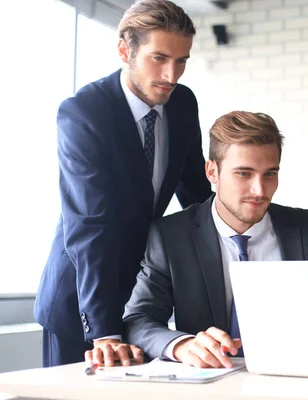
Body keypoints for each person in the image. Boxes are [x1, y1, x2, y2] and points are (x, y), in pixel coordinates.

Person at [34, 0, 212, 367]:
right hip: (82, 302)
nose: (171, 75)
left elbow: (196, 196)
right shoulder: (84, 113)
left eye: (182, 61)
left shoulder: (182, 104)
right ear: (124, 49)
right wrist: (104, 331)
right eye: (159, 58)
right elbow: (89, 224)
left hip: (142, 301)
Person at [103, 111, 308, 368]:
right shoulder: (171, 237)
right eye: (244, 174)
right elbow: (138, 319)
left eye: (269, 174)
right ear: (212, 172)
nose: (259, 190)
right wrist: (182, 345)